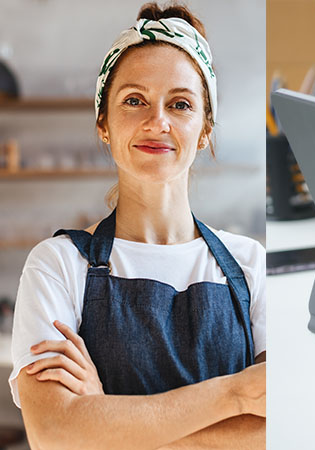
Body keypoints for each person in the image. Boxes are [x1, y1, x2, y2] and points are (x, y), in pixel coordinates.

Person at [9, 4, 266, 449]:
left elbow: (278, 432)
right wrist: (237, 393)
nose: (157, 121)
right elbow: (53, 433)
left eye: (181, 104)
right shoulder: (57, 265)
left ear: (204, 129)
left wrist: (104, 420)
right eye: (134, 100)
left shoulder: (250, 264)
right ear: (104, 124)